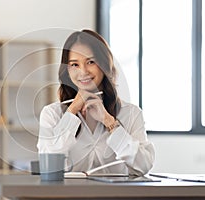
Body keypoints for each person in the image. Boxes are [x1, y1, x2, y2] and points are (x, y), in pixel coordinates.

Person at [37, 29, 155, 176]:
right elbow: (48, 166)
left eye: (91, 62)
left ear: (104, 65)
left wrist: (109, 121)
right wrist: (71, 112)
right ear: (67, 70)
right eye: (75, 64)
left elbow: (143, 166)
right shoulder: (52, 113)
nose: (83, 71)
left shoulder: (130, 113)